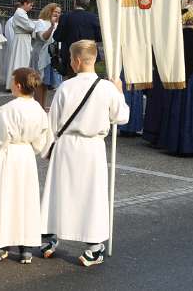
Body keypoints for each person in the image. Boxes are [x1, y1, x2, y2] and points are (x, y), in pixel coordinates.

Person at [40, 40, 129, 267]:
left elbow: (53, 122)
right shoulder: (107, 88)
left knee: (59, 191)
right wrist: (119, 92)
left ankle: (50, 237)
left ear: (77, 61)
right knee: (92, 195)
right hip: (92, 147)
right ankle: (93, 246)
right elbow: (122, 117)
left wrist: (48, 148)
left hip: (66, 145)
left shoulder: (65, 87)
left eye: (71, 59)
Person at [0, 67, 53, 264]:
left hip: (8, 155)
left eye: (11, 81)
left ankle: (0, 244)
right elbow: (42, 141)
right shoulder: (38, 109)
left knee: (4, 197)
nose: (10, 84)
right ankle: (26, 247)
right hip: (26, 155)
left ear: (18, 85)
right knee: (25, 200)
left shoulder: (7, 109)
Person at [158, 6, 193, 155]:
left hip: (178, 76)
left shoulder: (176, 39)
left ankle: (174, 144)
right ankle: (191, 146)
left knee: (177, 109)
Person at [53, 0, 101, 79]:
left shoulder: (65, 17)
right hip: (89, 55)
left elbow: (57, 37)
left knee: (72, 82)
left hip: (71, 56)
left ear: (75, 2)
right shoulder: (93, 17)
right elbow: (99, 37)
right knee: (89, 80)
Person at [31, 3, 61, 103]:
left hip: (52, 57)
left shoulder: (58, 24)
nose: (57, 14)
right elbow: (43, 37)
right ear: (49, 11)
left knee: (50, 85)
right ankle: (37, 106)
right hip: (41, 55)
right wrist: (52, 26)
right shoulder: (41, 22)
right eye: (55, 11)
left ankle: (44, 108)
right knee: (40, 83)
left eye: (59, 12)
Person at [5, 0, 35, 90]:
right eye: (30, 5)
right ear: (25, 3)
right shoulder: (19, 13)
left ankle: (19, 83)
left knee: (22, 61)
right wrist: (34, 26)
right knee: (19, 60)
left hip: (23, 38)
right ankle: (16, 84)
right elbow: (30, 26)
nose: (31, 7)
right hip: (21, 39)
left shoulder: (22, 13)